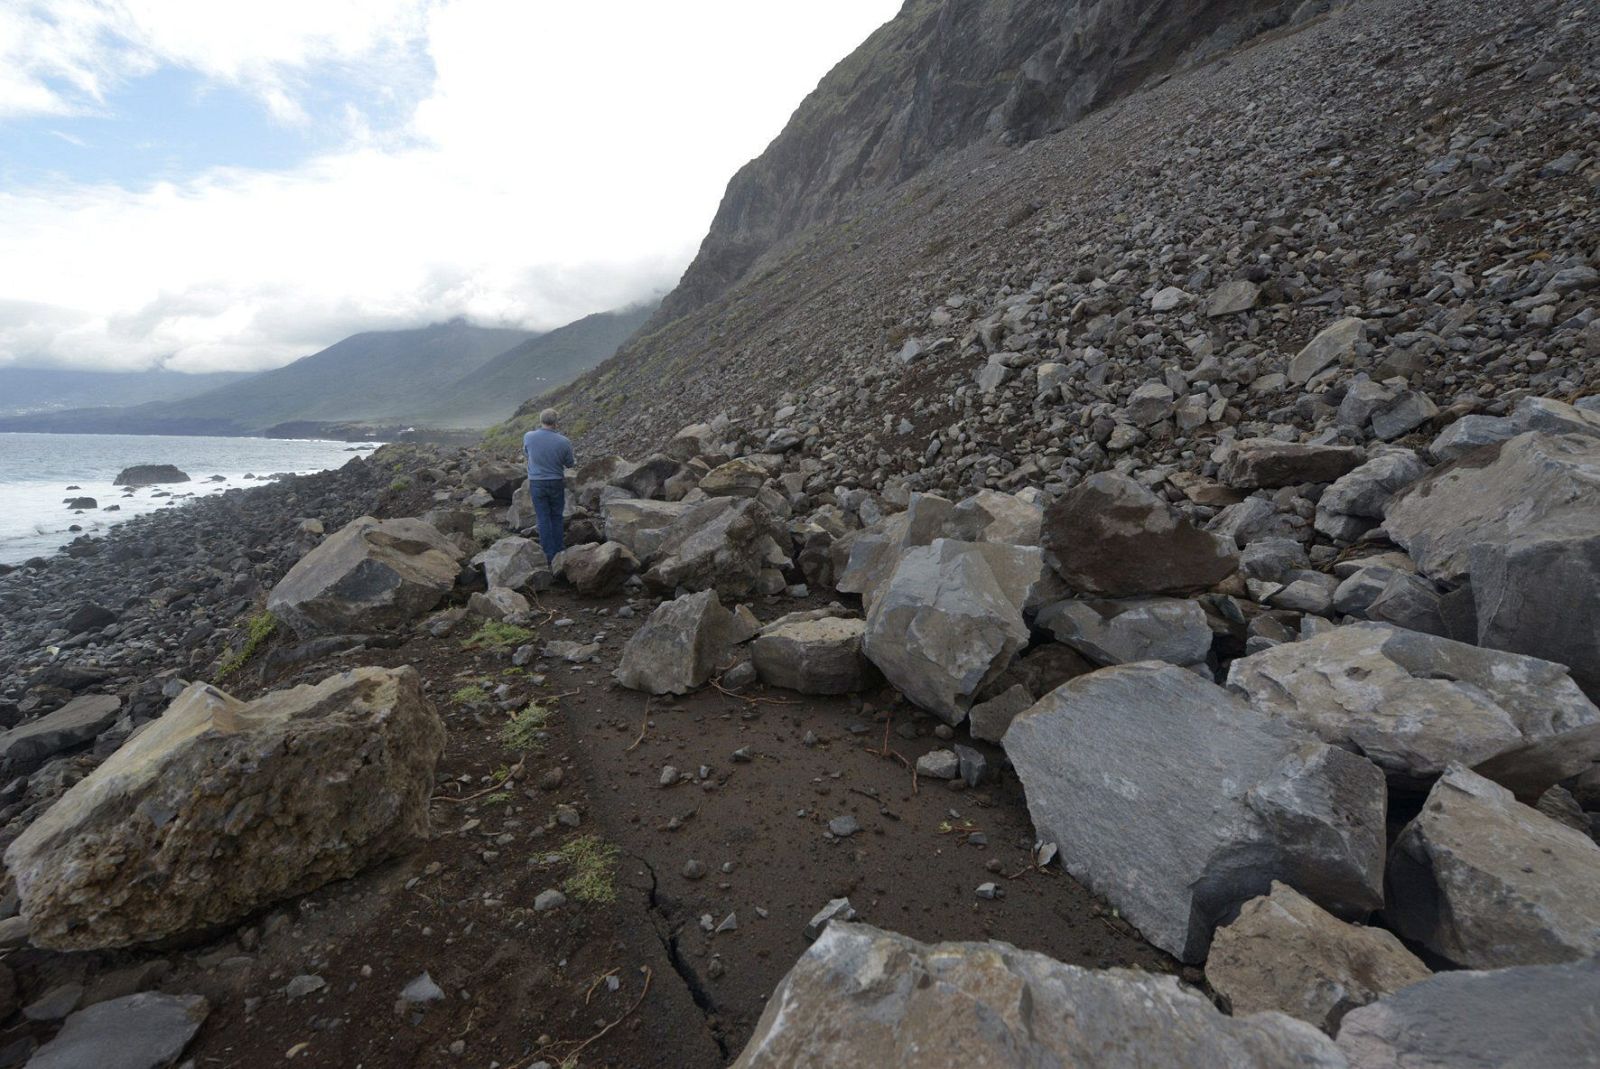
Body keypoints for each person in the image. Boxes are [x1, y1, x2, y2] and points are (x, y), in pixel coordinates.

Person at [522, 407, 575, 559]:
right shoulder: (564, 441)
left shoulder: (529, 436)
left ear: (541, 420)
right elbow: (570, 464)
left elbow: (526, 453)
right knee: (556, 516)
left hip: (537, 483)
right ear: (556, 423)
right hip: (556, 482)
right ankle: (559, 550)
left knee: (542, 517)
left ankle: (548, 553)